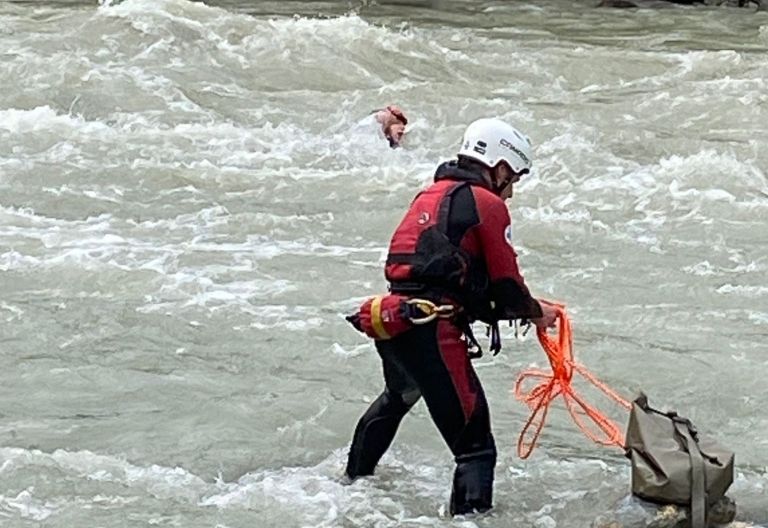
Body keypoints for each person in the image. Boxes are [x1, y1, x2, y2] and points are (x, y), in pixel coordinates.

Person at [344, 117, 558, 515]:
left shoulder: (429, 195)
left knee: (397, 397)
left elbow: (437, 276)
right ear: (499, 167)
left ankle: (350, 485)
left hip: (395, 321)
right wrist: (536, 312)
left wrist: (521, 307)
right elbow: (507, 288)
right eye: (512, 180)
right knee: (475, 451)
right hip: (431, 331)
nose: (510, 193)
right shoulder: (486, 204)